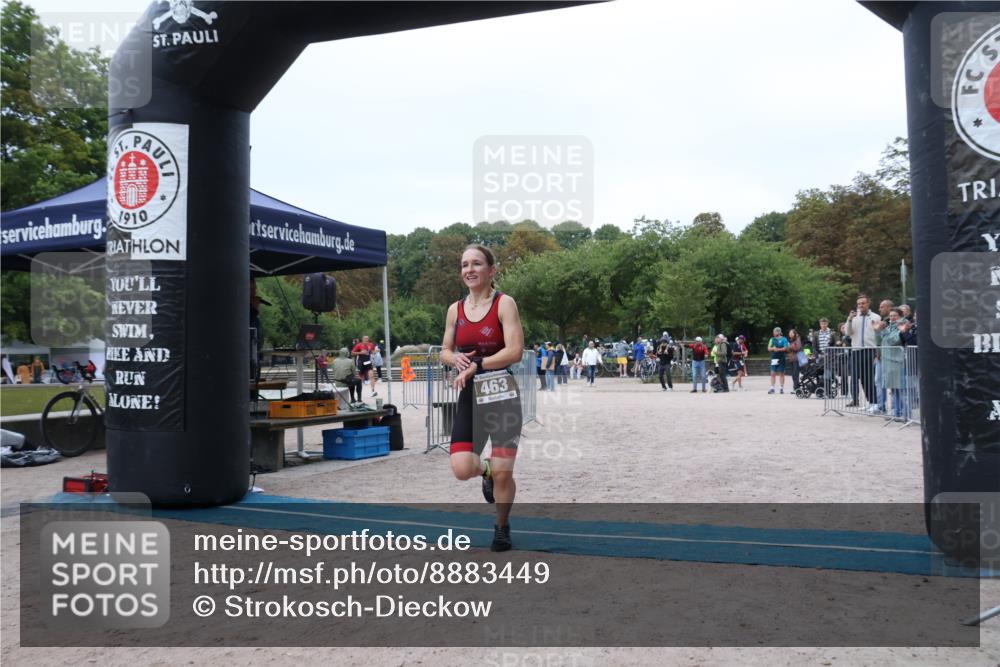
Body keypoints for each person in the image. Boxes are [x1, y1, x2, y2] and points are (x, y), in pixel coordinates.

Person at [440, 244, 525, 552]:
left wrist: (479, 364)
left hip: (502, 393)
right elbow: (445, 350)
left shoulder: (504, 304)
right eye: (465, 265)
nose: (470, 270)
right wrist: (455, 361)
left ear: (492, 270)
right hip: (470, 397)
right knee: (462, 468)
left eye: (477, 264)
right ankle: (485, 470)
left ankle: (501, 527)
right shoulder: (455, 310)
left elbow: (515, 351)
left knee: (506, 472)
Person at [843, 294, 881, 408]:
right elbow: (847, 333)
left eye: (863, 303)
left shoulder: (876, 317)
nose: (861, 305)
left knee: (868, 378)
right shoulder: (853, 317)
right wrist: (849, 320)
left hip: (870, 350)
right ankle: (855, 400)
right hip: (856, 350)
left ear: (868, 303)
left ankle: (873, 402)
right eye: (859, 304)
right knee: (854, 376)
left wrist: (878, 352)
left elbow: (878, 335)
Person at [767, 327, 789, 394]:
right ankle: (772, 388)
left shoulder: (784, 339)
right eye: (773, 332)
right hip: (774, 358)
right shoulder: (772, 339)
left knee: (781, 373)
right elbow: (768, 348)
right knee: (772, 373)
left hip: (782, 358)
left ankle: (781, 388)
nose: (774, 333)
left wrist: (778, 349)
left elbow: (786, 348)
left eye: (775, 332)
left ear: (779, 332)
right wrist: (773, 348)